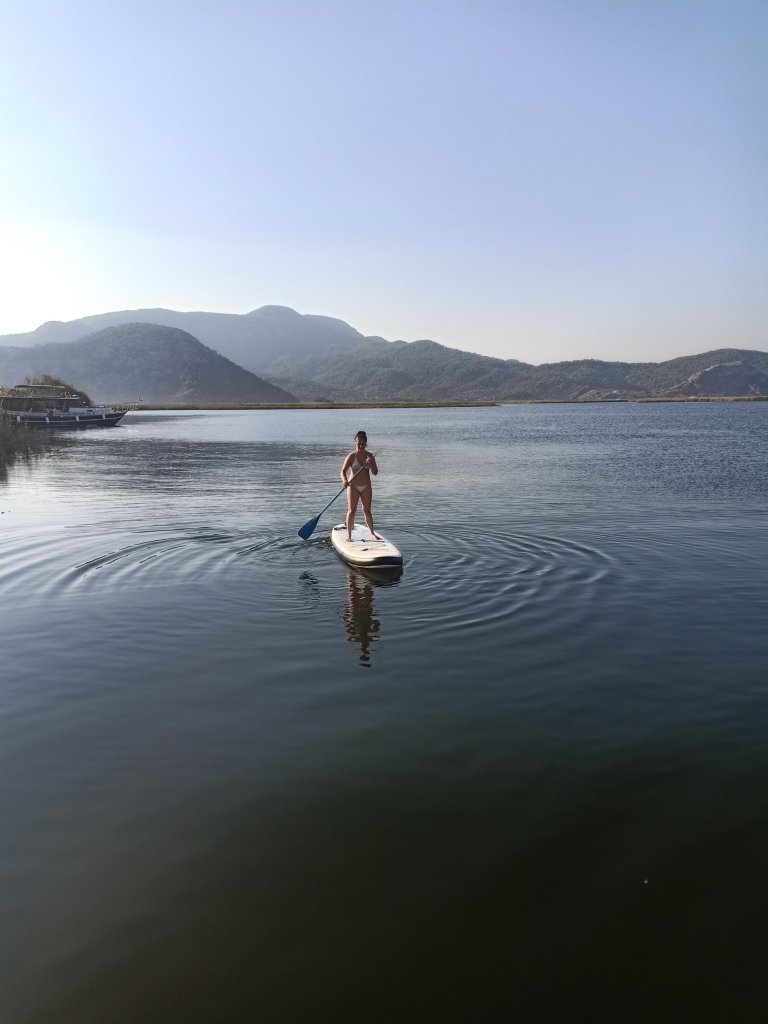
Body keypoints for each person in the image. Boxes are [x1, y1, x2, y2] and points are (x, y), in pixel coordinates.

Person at [340, 430, 379, 542]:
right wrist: (344, 480)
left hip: (366, 486)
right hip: (353, 486)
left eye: (363, 444)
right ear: (355, 442)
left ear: (366, 444)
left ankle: (372, 533)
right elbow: (343, 471)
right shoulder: (351, 456)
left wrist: (371, 464)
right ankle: (348, 535)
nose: (361, 446)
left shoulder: (370, 456)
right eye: (359, 444)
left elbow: (375, 472)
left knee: (367, 511)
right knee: (352, 511)